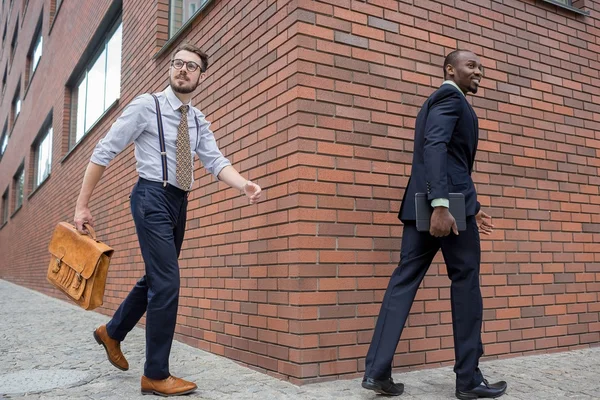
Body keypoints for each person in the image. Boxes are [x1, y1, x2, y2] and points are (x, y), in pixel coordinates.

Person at [74, 43, 262, 397]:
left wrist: (244, 185)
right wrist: (82, 205)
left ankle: (112, 332)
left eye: (192, 66)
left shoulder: (197, 119)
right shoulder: (147, 106)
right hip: (151, 196)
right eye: (178, 63)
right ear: (170, 69)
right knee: (168, 283)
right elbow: (104, 150)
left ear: (201, 76)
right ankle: (156, 373)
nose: (183, 70)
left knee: (157, 278)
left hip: (178, 202)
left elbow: (215, 161)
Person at [361, 50, 507, 399]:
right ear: (449, 69)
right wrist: (442, 205)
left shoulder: (441, 101)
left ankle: (377, 372)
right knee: (466, 283)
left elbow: (452, 161)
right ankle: (469, 380)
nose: (479, 73)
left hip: (432, 205)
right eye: (471, 66)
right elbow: (435, 146)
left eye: (481, 68)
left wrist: (474, 206)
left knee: (403, 283)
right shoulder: (449, 97)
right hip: (445, 209)